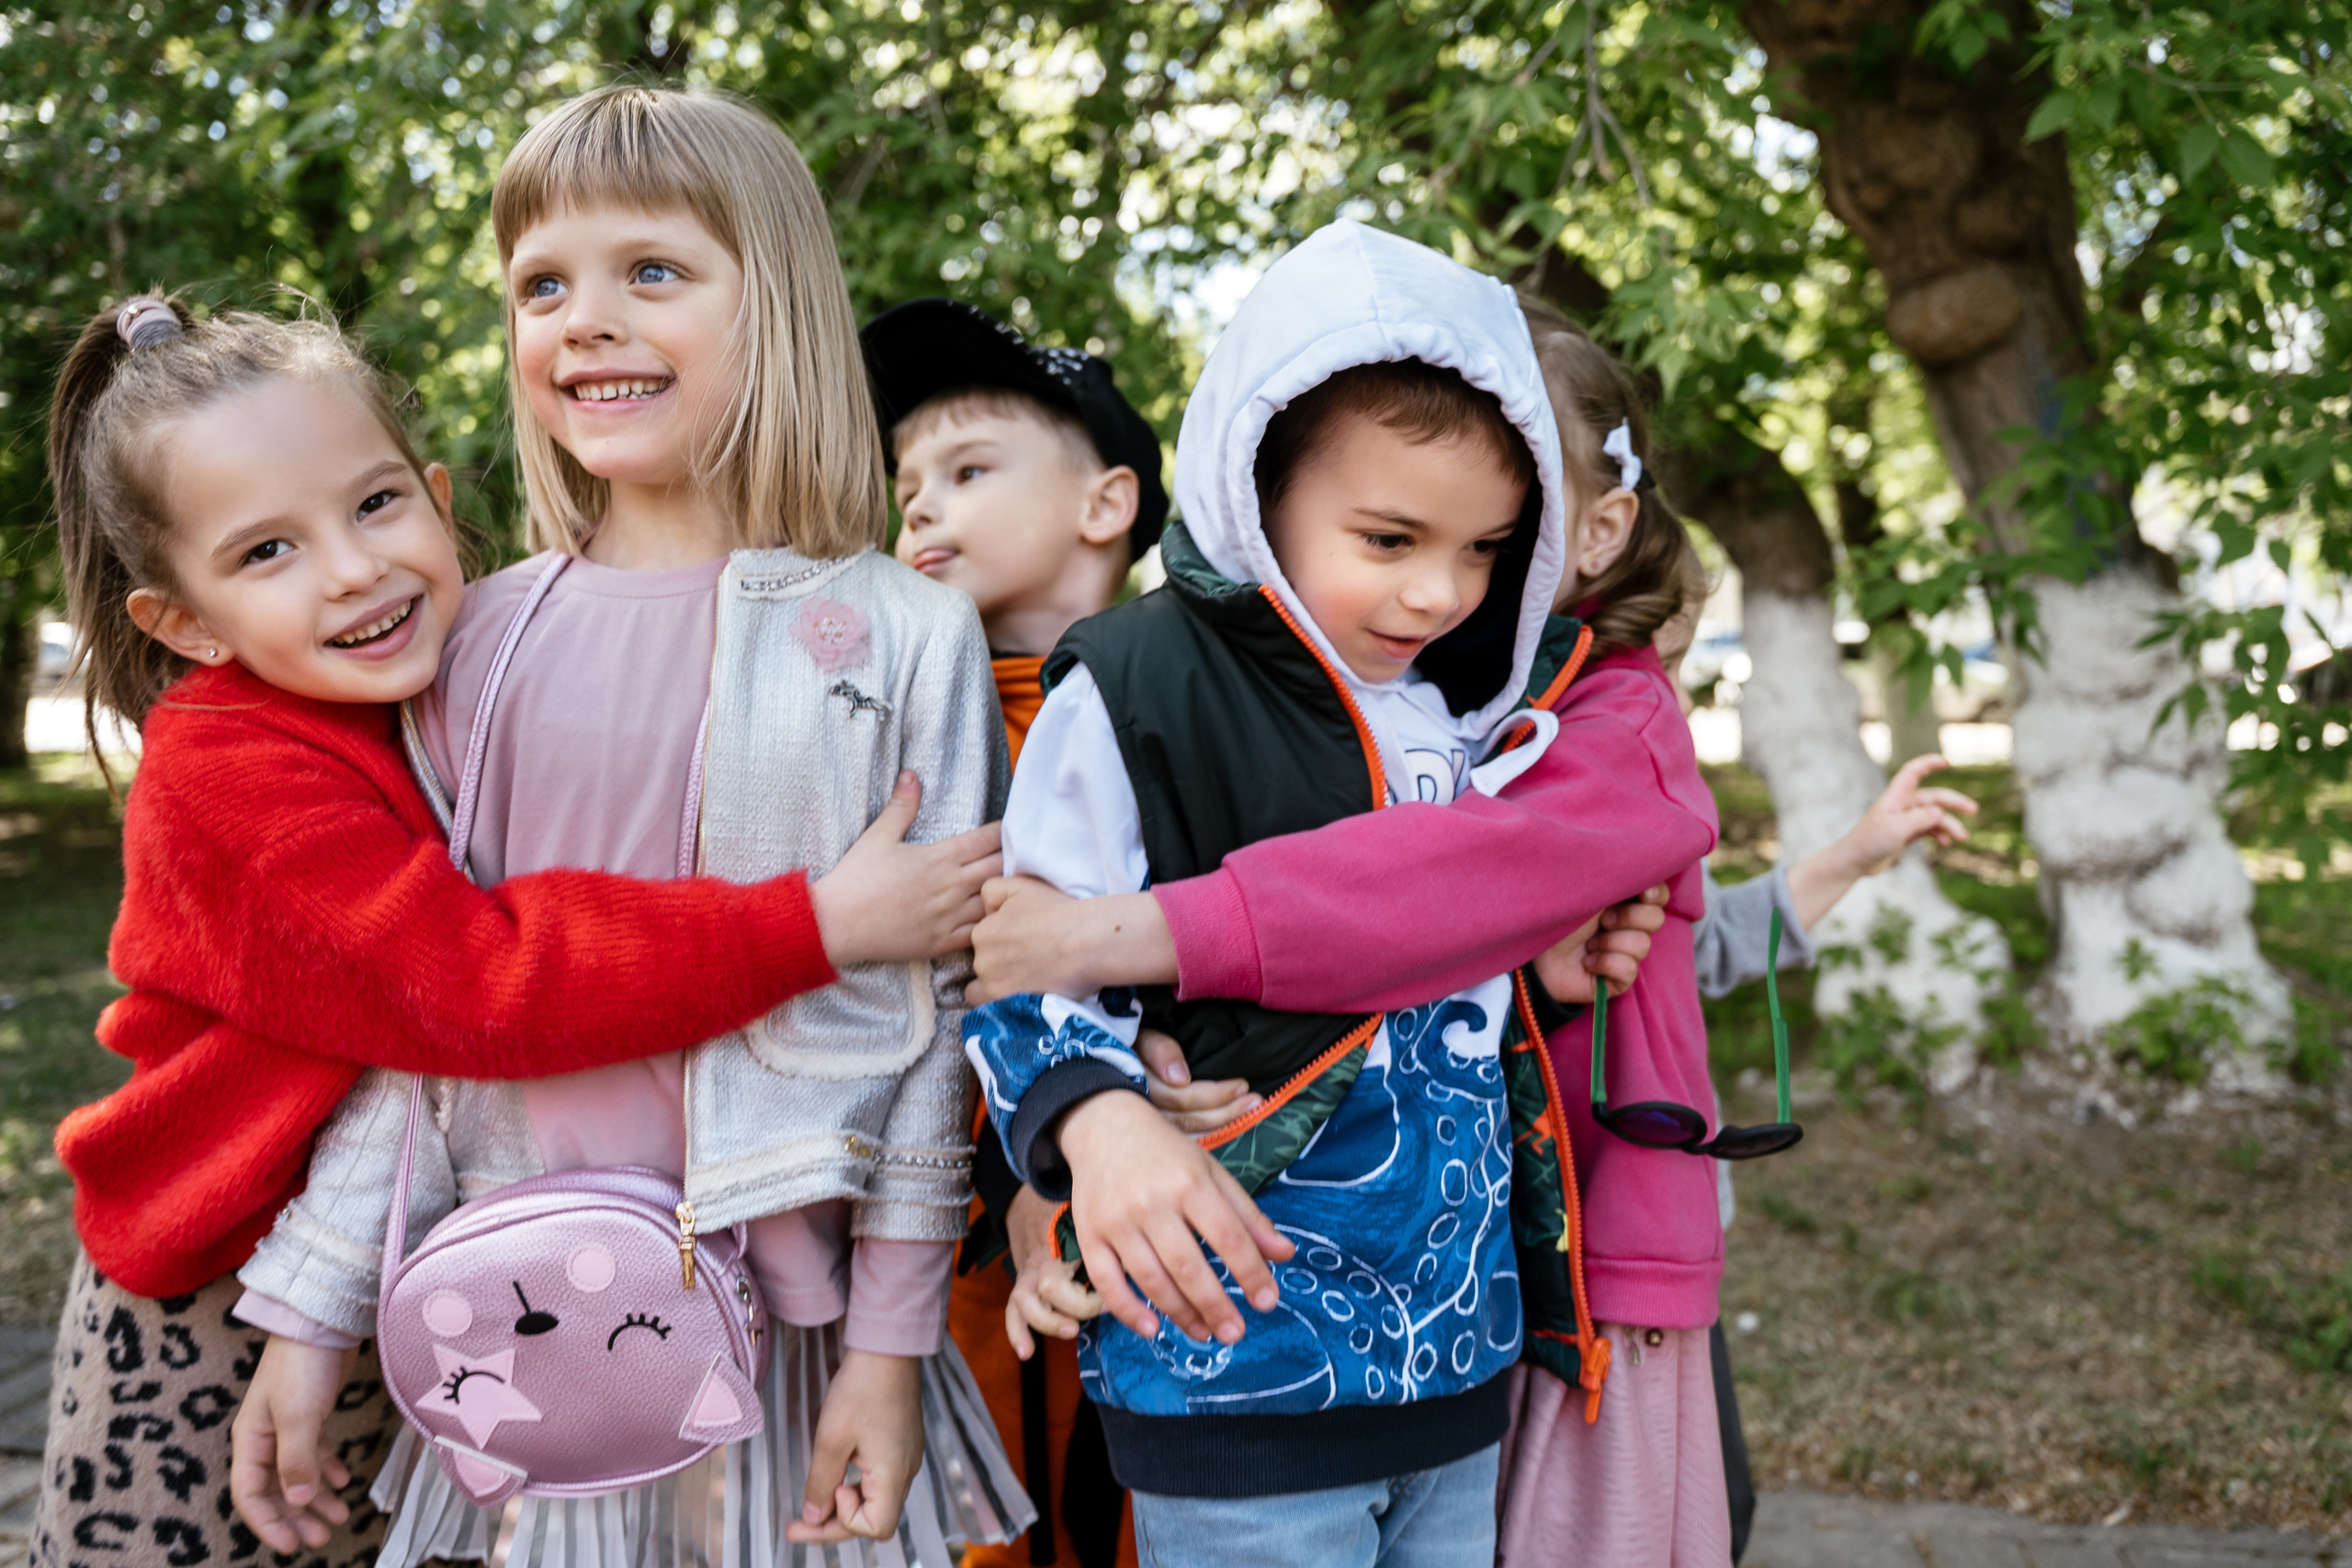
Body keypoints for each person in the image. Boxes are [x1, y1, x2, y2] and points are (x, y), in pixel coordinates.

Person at [28, 295, 986, 1568]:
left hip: (411, 1252)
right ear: (186, 623)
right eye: (268, 553)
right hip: (219, 1275)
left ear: (434, 494)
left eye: (375, 506)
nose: (355, 567)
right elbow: (481, 986)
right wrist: (816, 924)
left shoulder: (436, 681)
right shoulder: (229, 771)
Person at [226, 86, 1026, 1568]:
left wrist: (893, 1343)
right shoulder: (472, 644)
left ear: (772, 298)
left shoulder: (906, 635)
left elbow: (930, 1020)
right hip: (536, 1325)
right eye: (543, 286)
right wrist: (311, 1302)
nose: (585, 320)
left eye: (650, 272)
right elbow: (423, 1015)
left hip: (800, 1315)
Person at [964, 220, 1626, 1568]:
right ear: (1253, 483)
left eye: (1490, 549)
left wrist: (1532, 968)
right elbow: (1023, 965)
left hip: (1454, 1353)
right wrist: (1095, 1123)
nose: (1441, 591)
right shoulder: (1138, 683)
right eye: (1389, 536)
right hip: (1229, 1352)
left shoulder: (1472, 709)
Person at [863, 297, 1169, 1568]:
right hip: (959, 1228)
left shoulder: (1183, 705)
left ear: (1105, 505)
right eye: (905, 483)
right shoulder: (897, 727)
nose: (918, 508)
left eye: (968, 470)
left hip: (1160, 1199)